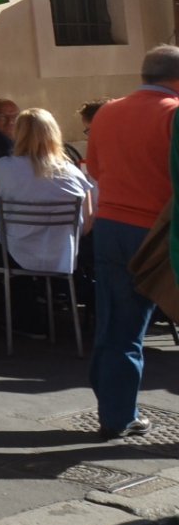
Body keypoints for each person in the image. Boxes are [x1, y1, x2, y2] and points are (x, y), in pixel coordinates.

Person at [82, 46, 179, 440]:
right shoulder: (173, 113)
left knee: (118, 328)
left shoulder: (107, 111)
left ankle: (116, 415)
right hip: (160, 232)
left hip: (111, 225)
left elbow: (96, 170)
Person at [0, 109, 93, 335]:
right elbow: (88, 220)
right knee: (11, 243)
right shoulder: (73, 172)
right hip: (61, 252)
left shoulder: (3, 166)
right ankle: (27, 316)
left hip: (13, 253)